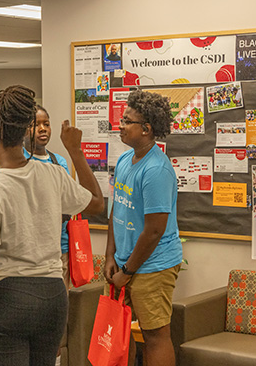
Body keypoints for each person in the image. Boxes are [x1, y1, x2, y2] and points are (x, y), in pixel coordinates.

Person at [0, 86, 103, 366]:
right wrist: (75, 152)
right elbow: (95, 203)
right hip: (53, 297)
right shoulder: (53, 173)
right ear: (25, 131)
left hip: (9, 298)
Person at [103, 90, 183, 366]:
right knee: (122, 333)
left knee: (154, 336)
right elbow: (118, 208)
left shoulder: (156, 170)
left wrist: (127, 271)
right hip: (125, 263)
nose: (121, 126)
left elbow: (154, 231)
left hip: (152, 265)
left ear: (146, 129)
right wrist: (110, 256)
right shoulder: (126, 159)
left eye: (127, 121)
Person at [23, 104, 72, 289]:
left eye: (46, 123)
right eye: (35, 124)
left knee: (59, 308)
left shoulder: (59, 162)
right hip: (26, 253)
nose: (42, 128)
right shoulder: (15, 160)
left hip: (58, 248)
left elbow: (67, 204)